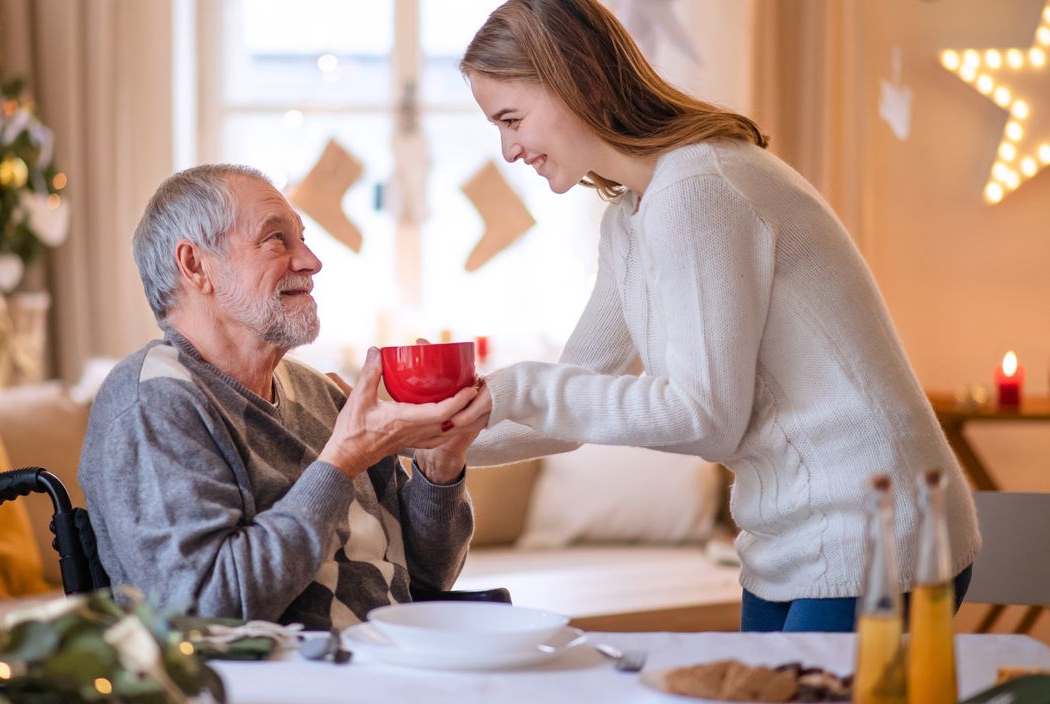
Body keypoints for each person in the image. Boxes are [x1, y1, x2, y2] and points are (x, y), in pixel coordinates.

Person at [451, 0, 979, 632]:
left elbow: (704, 416)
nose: (510, 150)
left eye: (512, 120)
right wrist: (426, 439)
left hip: (875, 531)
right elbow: (569, 406)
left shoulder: (699, 186)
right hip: (787, 541)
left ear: (578, 81)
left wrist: (514, 389)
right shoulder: (632, 218)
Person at [79, 164, 486, 631]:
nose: (312, 261)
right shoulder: (154, 403)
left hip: (392, 661)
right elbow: (205, 610)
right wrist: (342, 461)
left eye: (304, 239)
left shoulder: (317, 392)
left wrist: (440, 465)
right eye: (277, 240)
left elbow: (427, 577)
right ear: (196, 265)